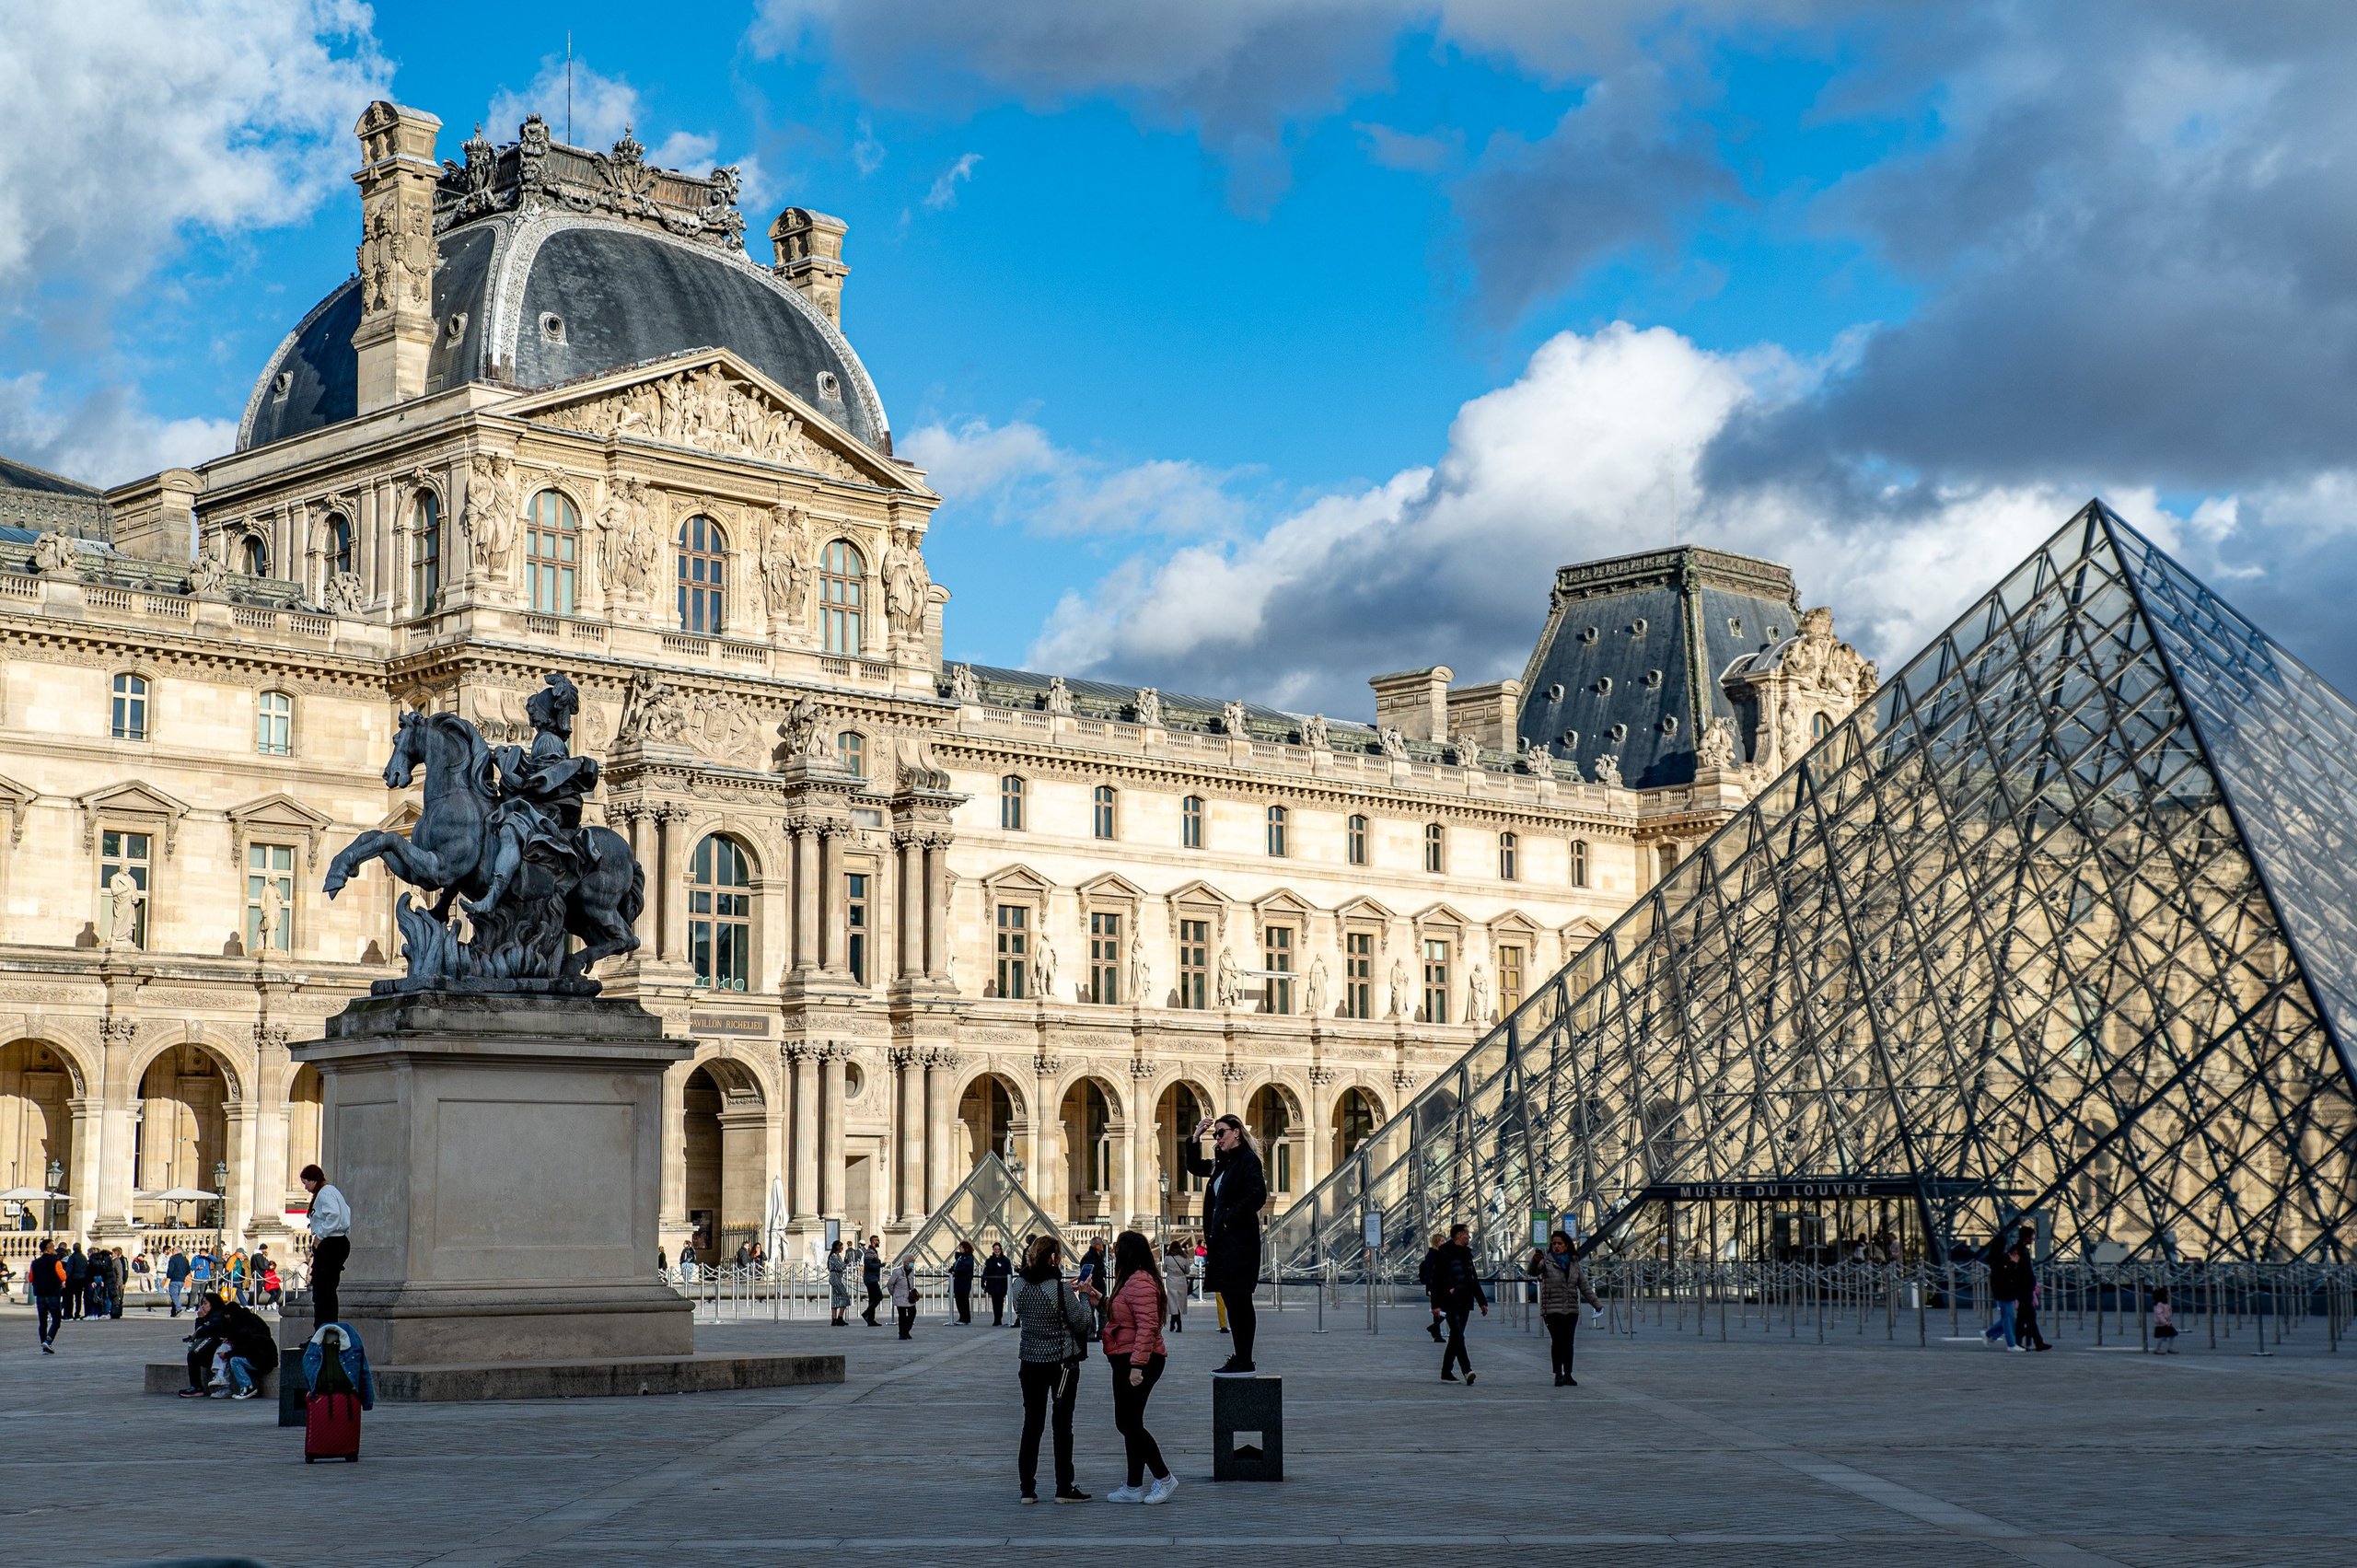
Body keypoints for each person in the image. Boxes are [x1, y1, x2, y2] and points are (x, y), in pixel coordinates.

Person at [1182, 1112, 1270, 1374]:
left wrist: (1228, 1218)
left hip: (1240, 1242)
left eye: (1221, 1133)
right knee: (1232, 1299)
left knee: (1240, 1299)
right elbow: (1195, 1167)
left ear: (1236, 1132)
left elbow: (1257, 1195)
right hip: (1224, 1242)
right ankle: (1240, 1356)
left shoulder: (1247, 1160)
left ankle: (1245, 1358)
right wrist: (1195, 1138)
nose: (1217, 1138)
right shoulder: (1225, 1163)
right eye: (1215, 1134)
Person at [1012, 1236, 1097, 1504]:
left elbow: (1024, 1309)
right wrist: (1082, 1295)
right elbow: (1082, 1323)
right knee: (1062, 1426)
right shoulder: (1059, 1290)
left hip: (1030, 1363)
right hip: (1061, 1366)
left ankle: (1027, 1488)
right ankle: (1063, 1487)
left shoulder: (1018, 1285)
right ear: (1052, 1258)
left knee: (1031, 1425)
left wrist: (1065, 1294)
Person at [1103, 1230, 1177, 1504]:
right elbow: (1126, 1313)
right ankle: (1134, 1487)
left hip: (1140, 1359)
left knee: (1128, 1422)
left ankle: (1164, 1477)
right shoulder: (1132, 1279)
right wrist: (1098, 1297)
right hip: (1127, 1356)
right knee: (1130, 1422)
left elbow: (1147, 1326)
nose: (1113, 1252)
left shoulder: (1141, 1281)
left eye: (1117, 1248)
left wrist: (1137, 1365)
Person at [1527, 1230, 1603, 1386]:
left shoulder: (1574, 1264)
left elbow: (1584, 1286)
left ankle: (1568, 1373)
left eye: (1559, 1243)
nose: (1556, 1246)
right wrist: (1535, 1261)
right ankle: (1558, 1374)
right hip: (1551, 1309)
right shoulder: (1546, 1262)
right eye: (1554, 1243)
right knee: (1557, 1341)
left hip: (1571, 1309)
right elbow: (1533, 1272)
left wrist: (1596, 1304)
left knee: (1568, 1342)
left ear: (1566, 1245)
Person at [180, 1291, 279, 1400]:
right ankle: (222, 1383)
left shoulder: (222, 1318)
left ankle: (235, 1386)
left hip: (257, 1357)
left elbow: (203, 1332)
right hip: (253, 1354)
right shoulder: (227, 1317)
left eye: (205, 1303)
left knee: (230, 1358)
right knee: (215, 1354)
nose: (202, 1307)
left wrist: (228, 1353)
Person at [1433, 1223, 1489, 1384]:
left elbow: (1473, 1280)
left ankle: (1446, 1371)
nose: (1469, 1237)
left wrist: (1482, 1302)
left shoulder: (1466, 1254)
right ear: (1458, 1235)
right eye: (1467, 1234)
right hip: (1449, 1301)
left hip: (1465, 1301)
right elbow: (1436, 1280)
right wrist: (1435, 1305)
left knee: (1456, 1338)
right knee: (1458, 1335)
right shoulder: (1444, 1253)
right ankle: (1467, 1370)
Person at [301, 1164, 352, 1325]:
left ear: (313, 1179)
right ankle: (326, 1328)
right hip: (337, 1242)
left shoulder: (325, 1193)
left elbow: (334, 1214)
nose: (305, 1187)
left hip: (331, 1244)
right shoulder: (330, 1191)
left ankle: (324, 1328)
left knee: (323, 1291)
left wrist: (321, 1235)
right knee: (326, 1290)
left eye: (306, 1183)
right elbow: (346, 1211)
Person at [2012, 1229, 2052, 1352]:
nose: (2033, 1239)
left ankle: (2019, 1342)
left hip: (2024, 1287)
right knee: (2029, 1316)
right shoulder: (2018, 1250)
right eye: (2032, 1236)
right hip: (2023, 1288)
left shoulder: (2020, 1249)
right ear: (2026, 1237)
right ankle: (2037, 1342)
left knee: (2023, 1318)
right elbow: (2019, 1270)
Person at [1981, 1233, 2018, 1349]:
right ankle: (2011, 1344)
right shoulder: (2002, 1258)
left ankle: (1989, 1334)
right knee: (2009, 1318)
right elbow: (2006, 1273)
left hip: (2001, 1291)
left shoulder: (1994, 1258)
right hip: (2006, 1291)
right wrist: (2013, 1263)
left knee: (2008, 1317)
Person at [29, 1238, 65, 1353]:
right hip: (53, 1293)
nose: (54, 1249)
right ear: (48, 1249)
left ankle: (43, 1345)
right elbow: (62, 1276)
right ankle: (48, 1340)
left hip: (40, 1294)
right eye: (53, 1247)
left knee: (43, 1322)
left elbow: (31, 1278)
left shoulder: (35, 1263)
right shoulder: (56, 1262)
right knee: (56, 1320)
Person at [1420, 1232, 1447, 1342]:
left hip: (1441, 1286)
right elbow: (1428, 1273)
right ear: (1436, 1242)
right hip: (1435, 1287)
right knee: (1441, 1309)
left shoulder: (1441, 1254)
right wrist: (1429, 1288)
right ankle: (1436, 1332)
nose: (1444, 1242)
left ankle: (1435, 1330)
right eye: (1442, 1241)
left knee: (1442, 1310)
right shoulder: (1432, 1255)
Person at [1161, 1240, 1191, 1333]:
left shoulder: (1168, 1257)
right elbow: (1187, 1271)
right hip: (1181, 1281)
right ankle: (1178, 1324)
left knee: (1173, 1302)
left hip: (1171, 1281)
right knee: (1180, 1302)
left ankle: (1173, 1323)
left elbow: (1164, 1269)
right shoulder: (1184, 1257)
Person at [982, 1242, 1012, 1325]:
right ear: (993, 1250)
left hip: (1002, 1285)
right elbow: (985, 1272)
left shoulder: (1006, 1261)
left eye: (998, 1249)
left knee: (1000, 1302)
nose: (997, 1251)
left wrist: (1008, 1284)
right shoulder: (989, 1261)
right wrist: (983, 1282)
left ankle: (998, 1319)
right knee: (995, 1303)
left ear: (1001, 1250)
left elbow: (1009, 1272)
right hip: (993, 1285)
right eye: (995, 1249)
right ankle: (997, 1319)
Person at [888, 1254, 917, 1339]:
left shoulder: (911, 1271)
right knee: (902, 1316)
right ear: (905, 1262)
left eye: (913, 1261)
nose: (912, 1263)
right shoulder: (898, 1272)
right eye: (911, 1261)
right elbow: (890, 1284)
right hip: (900, 1297)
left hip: (909, 1297)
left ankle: (906, 1330)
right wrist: (893, 1294)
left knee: (913, 1313)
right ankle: (902, 1333)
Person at [951, 1239, 976, 1325]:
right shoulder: (960, 1257)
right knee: (959, 1301)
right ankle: (962, 1317)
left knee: (963, 1301)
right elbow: (956, 1266)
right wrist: (952, 1269)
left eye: (961, 1247)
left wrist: (956, 1271)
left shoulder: (969, 1257)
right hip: (958, 1282)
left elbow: (965, 1268)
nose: (959, 1248)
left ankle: (965, 1318)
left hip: (964, 1282)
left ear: (965, 1248)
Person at [862, 1236, 884, 1327]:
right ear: (874, 1241)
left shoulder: (872, 1251)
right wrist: (880, 1265)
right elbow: (869, 1265)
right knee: (879, 1296)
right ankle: (867, 1313)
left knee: (872, 1298)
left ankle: (871, 1319)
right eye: (878, 1240)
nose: (879, 1242)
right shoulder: (870, 1252)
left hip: (872, 1278)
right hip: (871, 1279)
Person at [63, 1242, 89, 1320]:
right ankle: (77, 1313)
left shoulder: (72, 1257)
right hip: (82, 1279)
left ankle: (69, 1314)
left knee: (70, 1297)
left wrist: (66, 1278)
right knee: (78, 1297)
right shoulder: (84, 1257)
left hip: (73, 1279)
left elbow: (69, 1269)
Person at [828, 1239, 851, 1326]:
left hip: (836, 1277)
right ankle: (839, 1318)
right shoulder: (834, 1256)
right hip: (835, 1278)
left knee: (836, 1297)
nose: (842, 1248)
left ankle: (835, 1319)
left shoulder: (836, 1256)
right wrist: (846, 1263)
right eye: (841, 1247)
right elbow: (841, 1266)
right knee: (844, 1296)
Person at [2151, 1286, 2178, 1353]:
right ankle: (2157, 1349)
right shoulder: (2160, 1305)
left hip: (2167, 1323)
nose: (2169, 1296)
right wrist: (2165, 1322)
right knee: (2163, 1336)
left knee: (2172, 1334)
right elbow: (2159, 1315)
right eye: (2167, 1295)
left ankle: (2170, 1347)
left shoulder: (2165, 1304)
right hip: (2162, 1324)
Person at [165, 1249, 192, 1316]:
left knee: (173, 1294)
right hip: (182, 1280)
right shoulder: (185, 1259)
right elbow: (188, 1270)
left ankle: (179, 1308)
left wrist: (169, 1276)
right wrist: (183, 1275)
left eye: (173, 1251)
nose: (172, 1252)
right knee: (176, 1295)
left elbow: (170, 1269)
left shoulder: (173, 1259)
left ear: (176, 1251)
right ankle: (174, 1312)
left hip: (174, 1279)